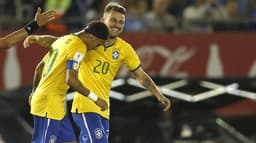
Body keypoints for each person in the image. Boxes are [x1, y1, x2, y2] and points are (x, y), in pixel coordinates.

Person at [24, 2, 171, 143]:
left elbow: (140, 75)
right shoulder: (88, 41)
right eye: (113, 20)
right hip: (85, 106)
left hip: (103, 108)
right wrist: (37, 38)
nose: (117, 25)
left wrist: (158, 94)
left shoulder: (125, 49)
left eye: (121, 22)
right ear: (102, 20)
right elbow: (60, 42)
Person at [26, 21, 109, 143]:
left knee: (69, 140)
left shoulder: (64, 40)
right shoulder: (79, 47)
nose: (96, 48)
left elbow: (39, 68)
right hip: (49, 104)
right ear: (91, 36)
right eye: (98, 44)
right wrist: (96, 99)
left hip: (54, 104)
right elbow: (72, 80)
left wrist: (34, 92)